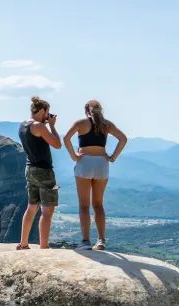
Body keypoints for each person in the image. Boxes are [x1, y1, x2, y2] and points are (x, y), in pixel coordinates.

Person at [62, 100, 128, 251]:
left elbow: (66, 138)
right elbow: (123, 139)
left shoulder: (81, 122)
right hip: (102, 163)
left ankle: (85, 242)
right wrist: (112, 157)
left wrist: (74, 155)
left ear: (86, 110)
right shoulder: (107, 124)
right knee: (98, 204)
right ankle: (101, 240)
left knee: (84, 205)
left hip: (84, 162)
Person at [16, 96, 61, 250]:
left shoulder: (23, 125)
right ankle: (44, 247)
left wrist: (46, 122)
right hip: (44, 171)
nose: (48, 116)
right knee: (47, 211)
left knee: (32, 206)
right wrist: (52, 126)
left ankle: (23, 243)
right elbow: (57, 144)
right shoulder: (40, 127)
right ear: (42, 110)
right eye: (47, 112)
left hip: (30, 169)